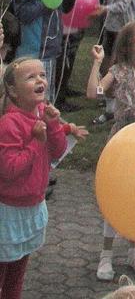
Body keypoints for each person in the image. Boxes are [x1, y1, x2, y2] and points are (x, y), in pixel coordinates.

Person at [0, 58, 86, 299]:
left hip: (32, 206)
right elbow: (9, 169)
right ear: (13, 91)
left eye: (42, 75)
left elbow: (57, 152)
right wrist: (36, 142)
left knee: (17, 276)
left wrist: (54, 126)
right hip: (8, 211)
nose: (40, 80)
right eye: (31, 77)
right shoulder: (9, 123)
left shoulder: (41, 113)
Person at [87, 22, 135, 281]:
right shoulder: (119, 71)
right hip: (122, 142)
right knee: (116, 197)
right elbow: (94, 92)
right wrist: (96, 62)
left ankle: (134, 252)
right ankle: (106, 254)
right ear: (127, 43)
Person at [10, 0, 81, 111]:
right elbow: (24, 13)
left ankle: (45, 131)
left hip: (51, 50)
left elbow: (65, 6)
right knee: (30, 107)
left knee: (46, 106)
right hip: (32, 53)